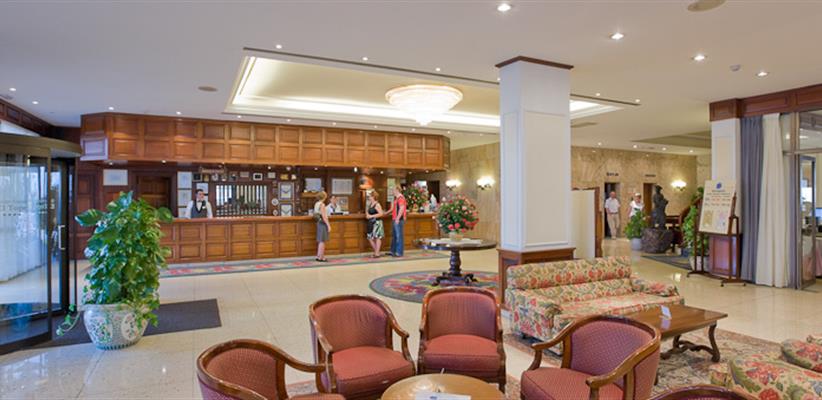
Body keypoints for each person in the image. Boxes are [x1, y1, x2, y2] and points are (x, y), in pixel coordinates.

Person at [365, 190, 385, 258]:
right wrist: (367, 215)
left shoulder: (377, 204)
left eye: (370, 196)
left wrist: (371, 216)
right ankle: (377, 252)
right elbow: (368, 213)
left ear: (374, 197)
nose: (369, 197)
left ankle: (376, 253)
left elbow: (381, 214)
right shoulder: (370, 204)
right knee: (370, 237)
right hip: (371, 223)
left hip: (377, 223)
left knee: (377, 237)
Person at [389, 185, 407, 257]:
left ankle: (399, 252)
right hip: (395, 218)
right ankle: (393, 251)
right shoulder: (396, 198)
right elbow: (393, 209)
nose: (392, 191)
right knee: (394, 235)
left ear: (397, 190)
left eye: (393, 190)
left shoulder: (401, 198)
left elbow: (402, 208)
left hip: (398, 219)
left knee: (399, 236)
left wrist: (397, 218)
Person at [314, 191, 331, 262]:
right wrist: (328, 225)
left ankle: (318, 256)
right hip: (323, 223)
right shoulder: (322, 204)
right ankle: (322, 257)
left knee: (320, 240)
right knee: (322, 241)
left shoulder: (317, 204)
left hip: (318, 222)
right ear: (324, 196)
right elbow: (324, 216)